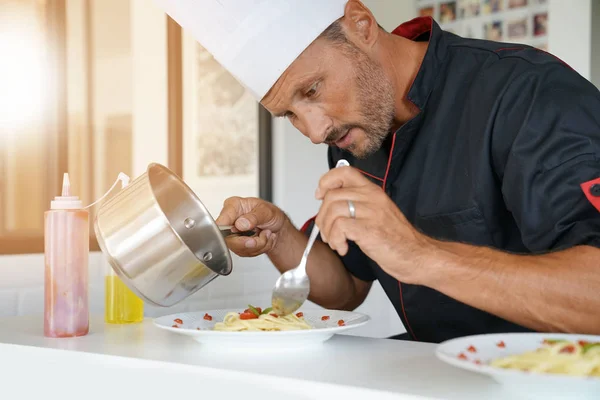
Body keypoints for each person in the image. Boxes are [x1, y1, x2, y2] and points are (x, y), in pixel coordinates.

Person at [157, 0, 600, 343]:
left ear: (362, 26)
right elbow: (348, 286)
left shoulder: (526, 94)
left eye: (311, 90)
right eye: (289, 114)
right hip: (429, 374)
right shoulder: (357, 132)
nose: (314, 131)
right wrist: (281, 235)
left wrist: (421, 255)